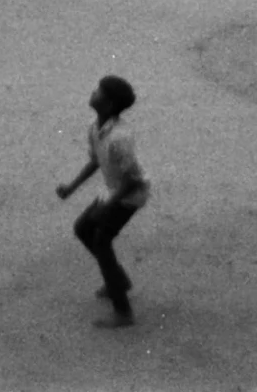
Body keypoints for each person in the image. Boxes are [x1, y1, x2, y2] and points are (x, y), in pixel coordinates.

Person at [56, 74, 149, 328]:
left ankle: (123, 310)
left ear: (108, 105)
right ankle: (118, 281)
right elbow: (95, 161)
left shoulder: (120, 138)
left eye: (98, 91)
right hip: (115, 191)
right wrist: (71, 187)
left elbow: (135, 181)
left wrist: (109, 205)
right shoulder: (96, 128)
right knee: (83, 229)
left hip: (129, 196)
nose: (93, 92)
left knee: (101, 239)